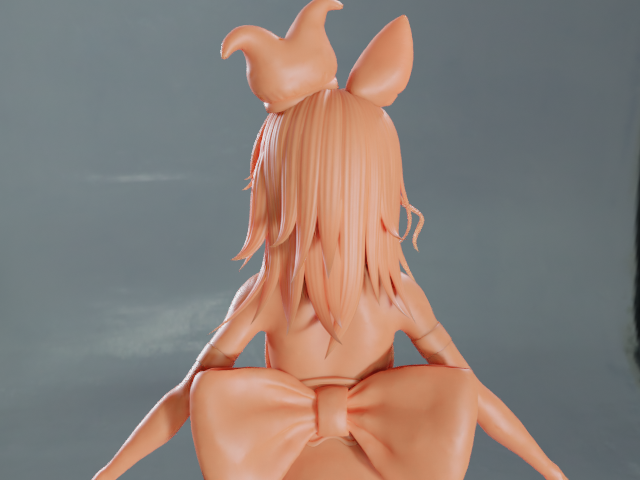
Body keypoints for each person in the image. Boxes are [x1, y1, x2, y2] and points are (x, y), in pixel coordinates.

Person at [92, 1, 569, 479]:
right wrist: (549, 469)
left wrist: (109, 472)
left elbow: (183, 398)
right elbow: (475, 395)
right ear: (380, 182)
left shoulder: (266, 297)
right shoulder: (396, 295)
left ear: (274, 184)